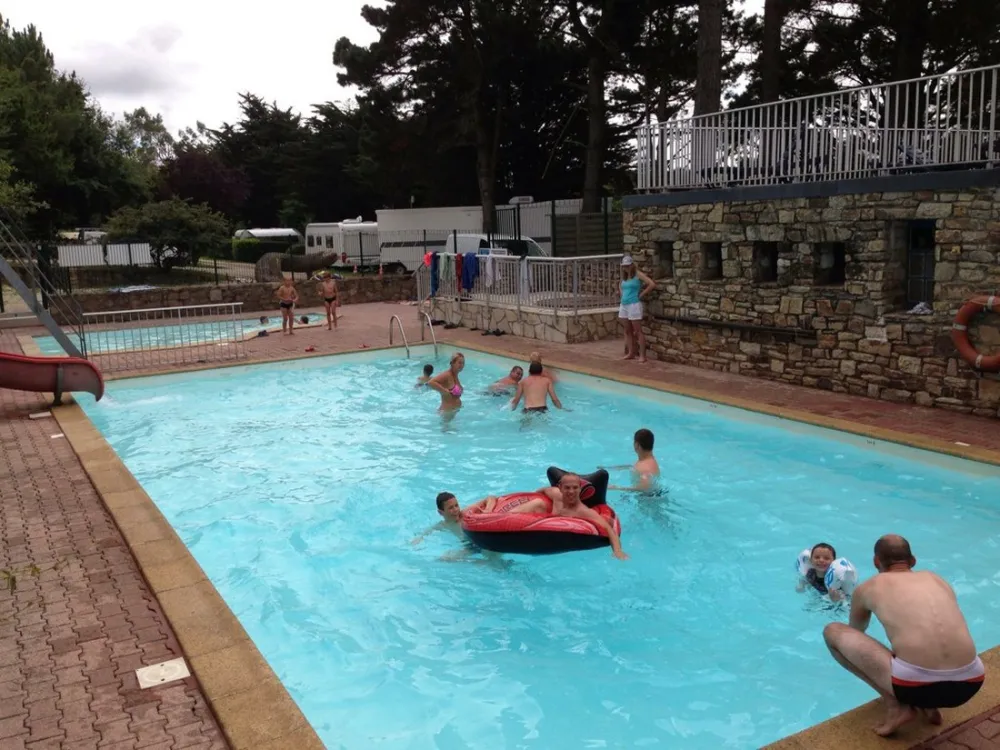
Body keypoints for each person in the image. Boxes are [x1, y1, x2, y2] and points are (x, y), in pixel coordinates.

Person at [822, 535, 985, 737]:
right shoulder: (937, 579)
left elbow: (856, 632)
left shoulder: (869, 587)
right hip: (971, 682)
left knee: (832, 632)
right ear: (913, 561)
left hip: (915, 687)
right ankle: (928, 706)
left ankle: (897, 706)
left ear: (876, 562)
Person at [410, 491, 499, 545]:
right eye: (451, 508)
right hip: (469, 546)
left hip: (479, 541)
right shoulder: (443, 525)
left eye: (456, 505)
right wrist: (420, 537)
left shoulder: (464, 514)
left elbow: (490, 498)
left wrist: (488, 511)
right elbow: (428, 531)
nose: (456, 509)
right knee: (445, 559)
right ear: (441, 512)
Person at [618, 255, 656, 363]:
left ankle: (643, 356)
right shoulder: (624, 276)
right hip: (624, 305)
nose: (625, 268)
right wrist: (621, 294)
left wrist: (641, 295)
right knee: (627, 330)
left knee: (638, 331)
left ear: (631, 265)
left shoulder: (637, 274)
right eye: (624, 266)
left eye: (627, 266)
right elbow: (620, 285)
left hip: (634, 305)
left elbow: (651, 284)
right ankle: (631, 353)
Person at [606, 428, 661, 494]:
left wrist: (616, 487)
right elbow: (632, 467)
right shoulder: (645, 460)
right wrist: (610, 468)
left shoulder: (646, 468)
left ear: (637, 445)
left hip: (647, 500)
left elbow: (645, 488)